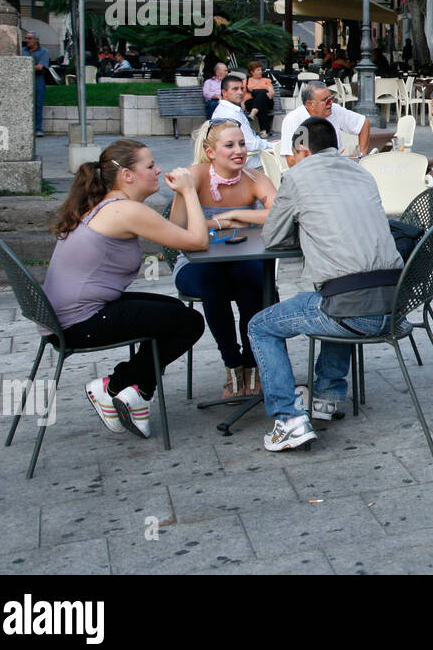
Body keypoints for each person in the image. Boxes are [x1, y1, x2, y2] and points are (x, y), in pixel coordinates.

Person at [248, 117, 407, 452]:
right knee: (334, 292)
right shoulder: (362, 171)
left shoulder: (297, 177)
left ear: (301, 149)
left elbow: (273, 237)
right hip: (394, 304)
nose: (290, 160)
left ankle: (288, 419)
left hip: (352, 311)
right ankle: (326, 396)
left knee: (261, 326)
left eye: (291, 153)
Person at [43, 139, 208, 438]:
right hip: (78, 323)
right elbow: (197, 241)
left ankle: (138, 392)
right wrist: (188, 190)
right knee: (190, 322)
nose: (158, 170)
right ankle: (114, 387)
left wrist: (182, 196)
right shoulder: (126, 211)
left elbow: (179, 233)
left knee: (174, 312)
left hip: (68, 316)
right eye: (150, 166)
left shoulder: (108, 203)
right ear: (127, 176)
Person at [170, 120, 276, 399]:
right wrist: (193, 200)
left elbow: (279, 213)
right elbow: (177, 229)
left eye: (241, 143)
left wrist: (231, 216)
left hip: (242, 261)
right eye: (229, 145)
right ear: (211, 151)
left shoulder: (253, 178)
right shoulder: (193, 176)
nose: (238, 150)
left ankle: (253, 363)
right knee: (212, 281)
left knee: (254, 283)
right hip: (195, 265)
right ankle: (232, 362)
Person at [279, 81, 368, 166]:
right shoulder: (294, 120)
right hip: (309, 172)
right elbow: (292, 161)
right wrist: (327, 162)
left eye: (331, 98)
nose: (331, 103)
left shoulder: (335, 110)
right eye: (326, 100)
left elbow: (363, 123)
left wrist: (362, 155)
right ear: (310, 104)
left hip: (337, 167)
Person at [211, 75, 273, 169]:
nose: (240, 92)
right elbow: (250, 144)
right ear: (224, 93)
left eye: (241, 88)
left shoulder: (223, 109)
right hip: (250, 165)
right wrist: (272, 145)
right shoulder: (231, 114)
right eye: (235, 89)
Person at [22, 31, 49, 137]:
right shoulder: (22, 51)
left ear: (36, 40)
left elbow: (41, 67)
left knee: (38, 104)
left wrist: (26, 66)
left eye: (29, 38)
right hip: (24, 80)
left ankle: (38, 128)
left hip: (38, 79)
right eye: (26, 38)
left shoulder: (43, 51)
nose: (27, 41)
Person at [243, 61, 276, 136]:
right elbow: (243, 94)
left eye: (261, 70)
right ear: (252, 72)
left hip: (268, 102)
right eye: (258, 70)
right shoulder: (246, 81)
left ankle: (253, 113)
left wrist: (265, 93)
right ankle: (264, 130)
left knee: (261, 94)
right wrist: (242, 105)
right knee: (261, 104)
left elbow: (272, 93)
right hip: (251, 103)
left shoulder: (266, 80)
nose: (260, 72)